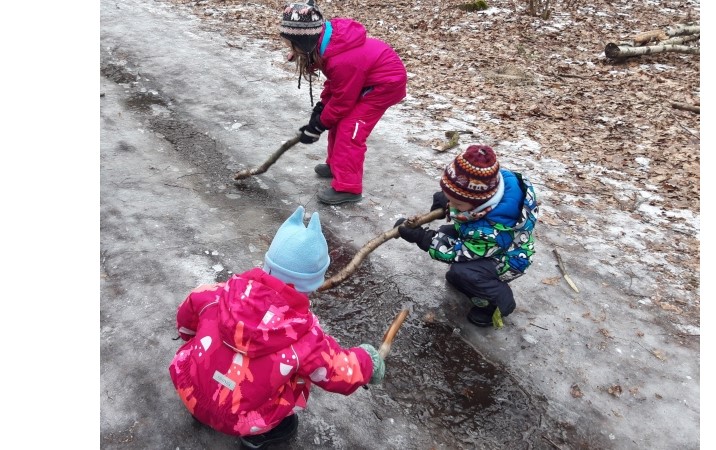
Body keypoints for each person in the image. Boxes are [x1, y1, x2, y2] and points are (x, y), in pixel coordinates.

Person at [168, 206, 386, 449]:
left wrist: (192, 337)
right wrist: (367, 361)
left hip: (191, 389)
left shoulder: (215, 294)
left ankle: (202, 410)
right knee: (287, 419)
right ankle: (259, 437)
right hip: (240, 418)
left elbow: (186, 321)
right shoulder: (306, 337)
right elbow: (338, 371)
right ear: (313, 283)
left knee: (206, 362)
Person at [393, 145, 539, 328]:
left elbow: (456, 252)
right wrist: (448, 201)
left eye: (457, 203)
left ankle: (499, 303)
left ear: (480, 202)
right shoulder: (489, 186)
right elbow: (467, 197)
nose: (452, 205)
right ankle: (470, 282)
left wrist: (420, 237)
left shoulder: (490, 231)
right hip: (483, 241)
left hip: (507, 259)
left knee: (464, 271)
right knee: (446, 234)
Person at [278, 0, 408, 205]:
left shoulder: (342, 59)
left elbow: (342, 100)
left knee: (350, 129)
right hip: (363, 81)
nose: (291, 51)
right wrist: (320, 109)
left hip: (383, 86)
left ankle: (348, 188)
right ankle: (336, 166)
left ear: (305, 42)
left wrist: (319, 124)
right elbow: (337, 86)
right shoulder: (329, 46)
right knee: (337, 121)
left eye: (293, 44)